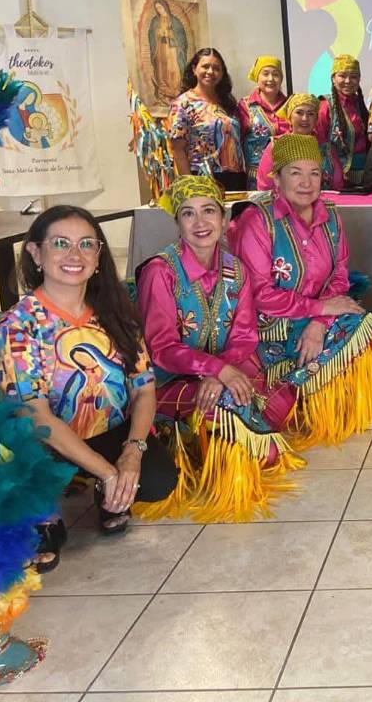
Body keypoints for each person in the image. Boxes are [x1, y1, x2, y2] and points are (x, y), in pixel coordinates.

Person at [0, 206, 178, 569]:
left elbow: (143, 388)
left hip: (106, 427)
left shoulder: (113, 311)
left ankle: (101, 489)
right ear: (36, 253)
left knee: (157, 482)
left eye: (86, 245)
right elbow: (36, 416)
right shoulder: (19, 325)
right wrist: (109, 471)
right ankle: (47, 517)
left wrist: (132, 453)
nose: (74, 255)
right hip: (44, 441)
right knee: (23, 463)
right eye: (60, 244)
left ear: (98, 257)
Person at [136, 176, 303, 522]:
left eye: (209, 211)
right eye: (188, 214)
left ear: (224, 220)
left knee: (285, 368)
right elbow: (162, 347)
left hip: (218, 374)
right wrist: (220, 371)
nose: (201, 223)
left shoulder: (235, 269)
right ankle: (218, 452)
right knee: (259, 438)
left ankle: (226, 429)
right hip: (166, 384)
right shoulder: (160, 272)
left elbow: (244, 338)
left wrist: (220, 372)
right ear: (177, 223)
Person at [232, 134, 372, 446]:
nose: (306, 182)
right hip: (271, 326)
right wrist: (320, 310)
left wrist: (318, 324)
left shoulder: (331, 216)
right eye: (295, 172)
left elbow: (339, 277)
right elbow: (259, 294)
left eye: (314, 173)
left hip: (315, 318)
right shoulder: (257, 221)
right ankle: (297, 398)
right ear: (277, 177)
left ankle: (322, 403)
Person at [168, 48, 246, 191]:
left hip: (236, 177)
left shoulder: (227, 103)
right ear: (194, 69)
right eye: (205, 66)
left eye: (216, 68)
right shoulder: (183, 103)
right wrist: (191, 187)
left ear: (222, 74)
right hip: (203, 177)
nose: (210, 71)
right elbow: (177, 149)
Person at [257, 93, 343, 191]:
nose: (304, 118)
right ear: (290, 117)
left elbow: (338, 187)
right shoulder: (276, 146)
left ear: (316, 119)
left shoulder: (327, 148)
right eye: (299, 113)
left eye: (310, 114)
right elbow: (265, 186)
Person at [316, 54, 370, 184]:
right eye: (342, 76)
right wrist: (335, 172)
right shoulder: (325, 105)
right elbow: (319, 144)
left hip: (365, 172)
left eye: (353, 76)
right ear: (333, 79)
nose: (348, 81)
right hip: (336, 175)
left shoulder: (360, 104)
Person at [237, 55, 289, 171]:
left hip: (288, 177)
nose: (270, 79)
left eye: (276, 74)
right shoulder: (246, 106)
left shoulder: (290, 106)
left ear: (281, 78)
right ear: (257, 77)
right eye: (265, 74)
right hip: (256, 180)